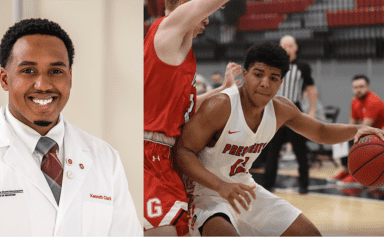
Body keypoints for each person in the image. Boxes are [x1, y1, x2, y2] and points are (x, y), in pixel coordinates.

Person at [0, 18, 142, 236]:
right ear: (5, 79)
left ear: (70, 78)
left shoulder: (106, 160)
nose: (43, 85)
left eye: (56, 71)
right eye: (28, 71)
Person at [172, 42, 384, 236]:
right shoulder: (220, 106)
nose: (265, 83)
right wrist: (220, 186)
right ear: (245, 74)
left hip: (244, 188)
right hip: (204, 194)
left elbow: (321, 131)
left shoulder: (282, 109)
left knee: (310, 234)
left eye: (273, 78)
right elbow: (182, 151)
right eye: (258, 74)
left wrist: (358, 129)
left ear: (280, 82)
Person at [144, 0, 241, 235]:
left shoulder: (178, 50)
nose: (208, 18)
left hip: (164, 158)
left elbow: (183, 108)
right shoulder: (168, 29)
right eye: (206, 11)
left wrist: (222, 89)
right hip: (148, 154)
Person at [258, 35, 319, 194]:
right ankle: (267, 185)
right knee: (272, 150)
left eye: (290, 46)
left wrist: (312, 109)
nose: (287, 49)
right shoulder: (272, 66)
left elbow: (311, 89)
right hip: (275, 110)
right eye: (284, 46)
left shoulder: (302, 67)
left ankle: (304, 184)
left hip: (294, 110)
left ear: (296, 47)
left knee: (300, 150)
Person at [329, 75, 384, 186]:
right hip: (371, 133)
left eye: (361, 87)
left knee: (354, 140)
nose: (358, 90)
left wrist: (352, 135)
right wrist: (343, 135)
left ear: (368, 87)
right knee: (342, 137)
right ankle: (345, 170)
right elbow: (351, 126)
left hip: (380, 134)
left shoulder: (373, 101)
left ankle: (356, 174)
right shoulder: (354, 101)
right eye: (355, 87)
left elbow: (364, 128)